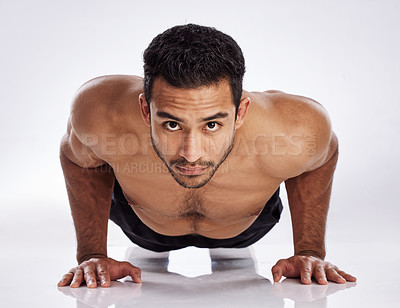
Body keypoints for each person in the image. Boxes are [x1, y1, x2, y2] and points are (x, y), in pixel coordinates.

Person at [58, 24, 356, 288]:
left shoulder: (296, 126)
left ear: (240, 113)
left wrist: (310, 251)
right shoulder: (100, 112)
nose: (191, 154)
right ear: (146, 110)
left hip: (245, 229)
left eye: (212, 124)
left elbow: (320, 160)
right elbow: (79, 159)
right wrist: (92, 254)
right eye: (172, 124)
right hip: (143, 224)